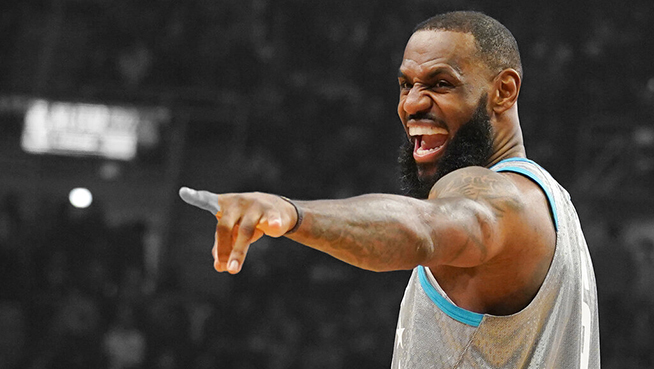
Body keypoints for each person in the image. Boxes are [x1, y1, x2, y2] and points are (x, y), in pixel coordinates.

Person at [179, 10, 600, 368]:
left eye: (440, 84)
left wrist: (292, 213)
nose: (412, 104)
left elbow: (423, 228)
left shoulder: (496, 196)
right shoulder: (553, 204)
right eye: (405, 85)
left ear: (503, 91)